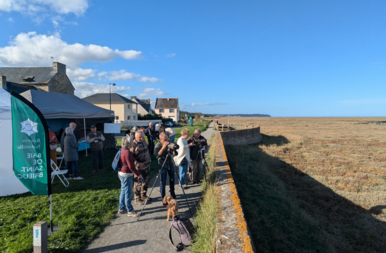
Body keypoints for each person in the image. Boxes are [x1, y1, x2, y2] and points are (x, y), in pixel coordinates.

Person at [117, 136, 143, 217]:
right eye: (132, 141)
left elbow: (130, 158)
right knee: (128, 193)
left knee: (123, 191)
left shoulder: (123, 150)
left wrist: (135, 153)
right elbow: (131, 166)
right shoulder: (127, 152)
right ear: (128, 143)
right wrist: (139, 174)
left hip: (121, 173)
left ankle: (121, 208)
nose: (133, 142)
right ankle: (130, 211)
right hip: (126, 175)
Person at [155, 132, 176, 206]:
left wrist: (174, 149)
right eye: (164, 140)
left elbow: (175, 151)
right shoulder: (158, 145)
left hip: (170, 163)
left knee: (172, 179)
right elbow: (157, 155)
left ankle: (172, 194)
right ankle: (163, 199)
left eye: (167, 139)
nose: (167, 141)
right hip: (162, 165)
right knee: (162, 182)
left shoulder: (169, 143)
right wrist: (163, 147)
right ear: (160, 140)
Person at [131, 130, 151, 204]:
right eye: (140, 137)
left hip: (146, 165)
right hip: (138, 168)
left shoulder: (143, 142)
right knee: (138, 183)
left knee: (146, 181)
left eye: (142, 137)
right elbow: (130, 157)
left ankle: (143, 195)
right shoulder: (133, 144)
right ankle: (137, 198)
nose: (142, 138)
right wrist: (137, 164)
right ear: (135, 137)